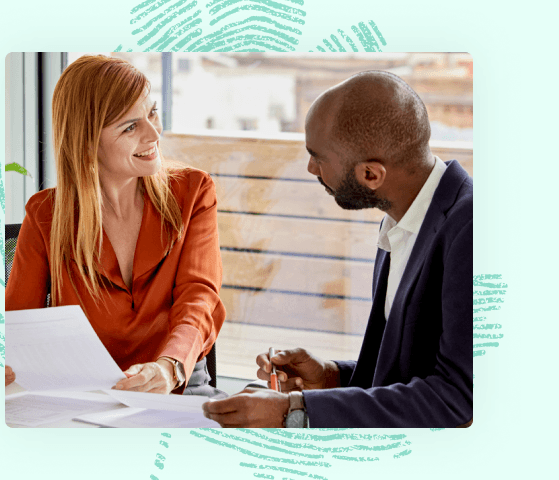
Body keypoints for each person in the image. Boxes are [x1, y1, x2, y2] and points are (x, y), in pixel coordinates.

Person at [202, 71, 472, 427]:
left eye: (318, 157)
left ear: (371, 175)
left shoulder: (473, 231)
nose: (310, 167)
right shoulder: (403, 218)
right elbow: (405, 371)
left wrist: (293, 410)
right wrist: (331, 376)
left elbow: (457, 401)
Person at [5, 55, 226, 397]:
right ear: (87, 142)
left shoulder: (194, 192)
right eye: (130, 126)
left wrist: (170, 366)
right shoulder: (46, 214)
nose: (153, 134)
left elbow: (199, 296)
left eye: (152, 113)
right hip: (83, 393)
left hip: (177, 383)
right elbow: (17, 327)